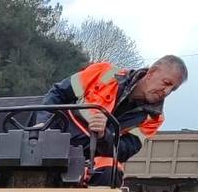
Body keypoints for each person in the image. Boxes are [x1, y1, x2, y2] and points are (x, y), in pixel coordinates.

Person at [41, 55, 188, 185]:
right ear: (152, 73)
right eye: (167, 83)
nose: (167, 92)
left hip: (90, 159)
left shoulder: (153, 118)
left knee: (111, 169)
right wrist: (42, 126)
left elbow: (124, 150)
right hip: (54, 141)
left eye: (173, 89)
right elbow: (58, 93)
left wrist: (103, 136)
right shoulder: (103, 72)